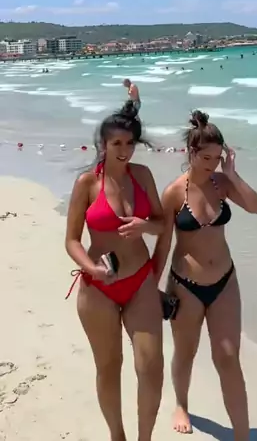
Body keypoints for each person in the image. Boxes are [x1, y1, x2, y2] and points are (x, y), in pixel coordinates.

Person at [152, 110, 257, 439]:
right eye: (206, 158)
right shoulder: (174, 193)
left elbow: (256, 207)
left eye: (217, 158)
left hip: (225, 282)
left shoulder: (222, 183)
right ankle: (181, 404)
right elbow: (163, 245)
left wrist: (233, 174)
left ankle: (242, 435)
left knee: (228, 358)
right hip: (185, 286)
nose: (212, 164)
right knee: (185, 352)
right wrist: (151, 291)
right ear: (190, 153)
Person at [65, 107, 165, 441]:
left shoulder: (143, 176)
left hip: (140, 281)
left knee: (151, 368)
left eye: (130, 143)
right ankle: (117, 436)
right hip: (98, 288)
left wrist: (144, 225)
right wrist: (91, 267)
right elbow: (72, 240)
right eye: (117, 143)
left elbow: (162, 223)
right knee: (109, 367)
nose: (124, 150)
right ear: (103, 145)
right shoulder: (87, 183)